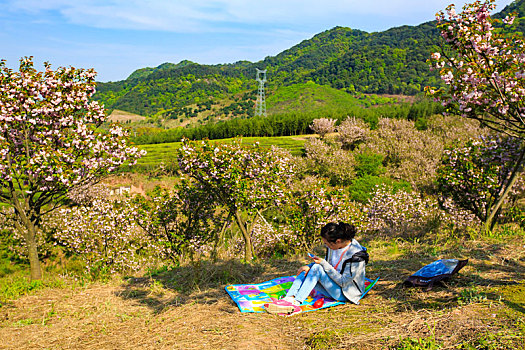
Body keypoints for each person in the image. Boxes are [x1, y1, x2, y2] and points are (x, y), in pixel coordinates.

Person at [265, 222, 368, 315]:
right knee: (308, 269)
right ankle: (289, 298)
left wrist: (323, 263)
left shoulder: (356, 256)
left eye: (326, 244)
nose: (326, 246)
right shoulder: (334, 247)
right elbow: (327, 265)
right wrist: (308, 266)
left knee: (317, 268)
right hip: (332, 285)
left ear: (338, 241)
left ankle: (297, 302)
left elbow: (343, 282)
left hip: (345, 293)